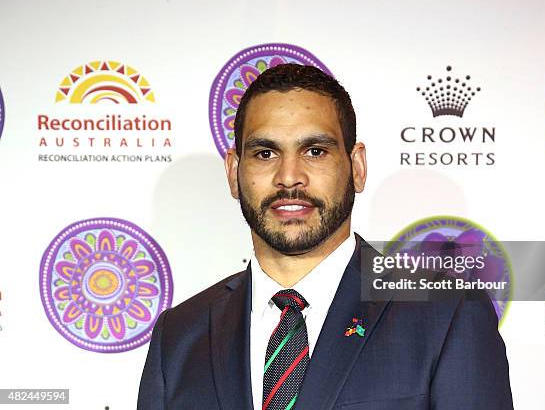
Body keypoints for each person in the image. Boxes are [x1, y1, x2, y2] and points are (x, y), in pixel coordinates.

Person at [137, 64, 514, 409]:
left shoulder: (446, 313)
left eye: (315, 151)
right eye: (265, 153)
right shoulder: (180, 335)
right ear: (234, 171)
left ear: (357, 167)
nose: (289, 176)